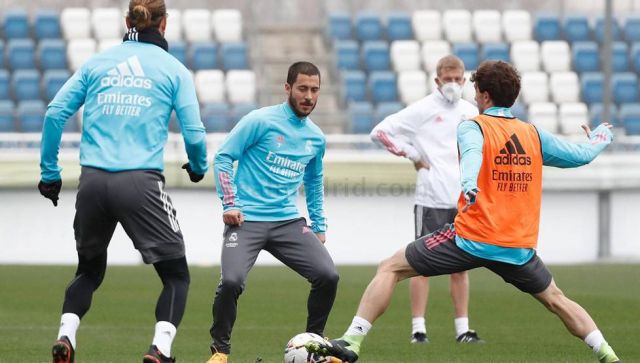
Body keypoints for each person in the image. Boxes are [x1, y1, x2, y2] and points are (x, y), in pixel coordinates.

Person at [307, 60, 621, 363]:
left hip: (472, 238)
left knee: (390, 267)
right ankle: (607, 353)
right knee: (556, 299)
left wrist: (469, 183)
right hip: (517, 247)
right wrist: (600, 138)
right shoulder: (533, 134)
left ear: (484, 95)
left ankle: (352, 340)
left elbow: (472, 154)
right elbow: (580, 156)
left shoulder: (473, 126)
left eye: (475, 90)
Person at [39, 1, 208, 362]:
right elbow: (194, 133)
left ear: (126, 21)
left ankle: (65, 337)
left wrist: (50, 174)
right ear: (164, 24)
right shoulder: (173, 70)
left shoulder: (98, 63)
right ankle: (159, 350)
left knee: (88, 270)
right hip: (140, 183)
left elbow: (55, 113)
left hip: (93, 183)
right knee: (176, 275)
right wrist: (197, 165)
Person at [206, 61, 339, 363]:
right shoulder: (260, 120)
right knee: (231, 282)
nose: (308, 96)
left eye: (314, 90)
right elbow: (224, 157)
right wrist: (230, 204)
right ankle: (220, 352)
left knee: (328, 276)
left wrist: (319, 225)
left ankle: (314, 347)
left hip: (287, 223)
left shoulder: (316, 138)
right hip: (247, 220)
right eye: (302, 88)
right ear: (288, 88)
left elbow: (314, 181)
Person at [369, 55, 482, 344]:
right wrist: (415, 156)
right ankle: (418, 329)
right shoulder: (422, 109)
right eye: (448, 79)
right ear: (437, 80)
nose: (454, 84)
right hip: (431, 197)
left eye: (459, 79)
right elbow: (380, 132)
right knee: (420, 264)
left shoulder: (471, 112)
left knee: (461, 266)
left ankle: (463, 330)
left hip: (462, 200)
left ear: (465, 80)